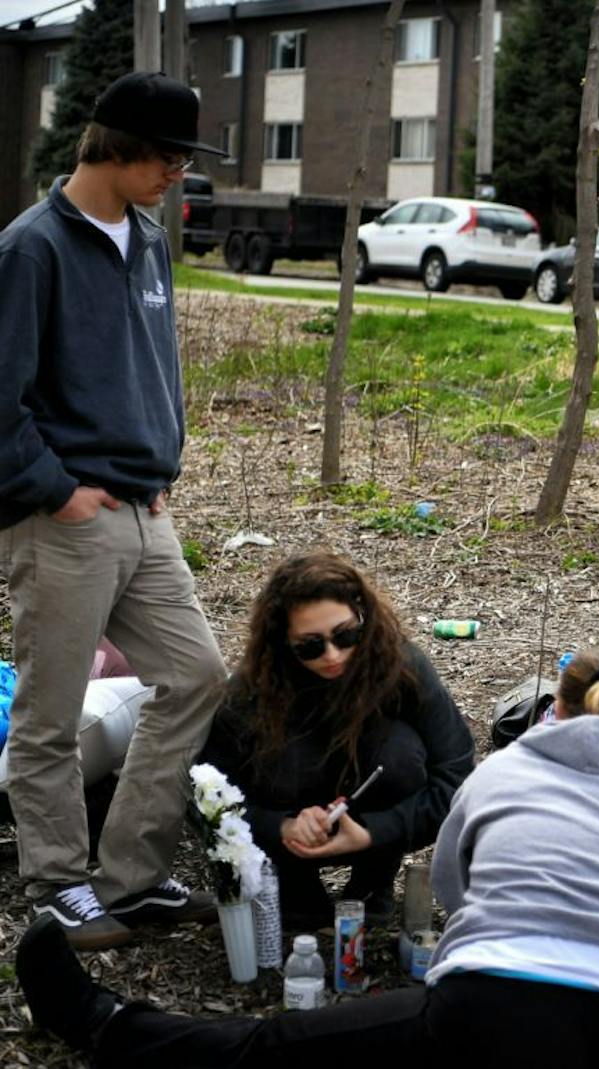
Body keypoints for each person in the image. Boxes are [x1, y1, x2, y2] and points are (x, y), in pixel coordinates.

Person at [16, 648, 599, 1068]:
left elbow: (457, 887)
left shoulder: (500, 776)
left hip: (493, 1008)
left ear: (555, 713)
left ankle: (101, 1019)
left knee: (273, 1047)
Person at [0, 71, 231, 949]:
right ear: (116, 144)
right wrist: (58, 491)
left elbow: (155, 362)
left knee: (198, 673)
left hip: (145, 508)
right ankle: (58, 882)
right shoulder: (32, 248)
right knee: (52, 711)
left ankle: (129, 877)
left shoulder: (146, 240)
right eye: (170, 155)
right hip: (64, 514)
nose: (180, 172)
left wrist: (161, 454)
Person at [199, 552, 476, 926]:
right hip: (288, 828)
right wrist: (280, 826)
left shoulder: (402, 668)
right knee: (274, 758)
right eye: (310, 646)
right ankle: (297, 886)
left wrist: (376, 833)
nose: (333, 655)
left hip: (373, 820)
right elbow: (210, 793)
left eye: (346, 635)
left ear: (364, 617)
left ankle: (372, 882)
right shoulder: (250, 692)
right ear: (282, 641)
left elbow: (456, 772)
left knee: (401, 752)